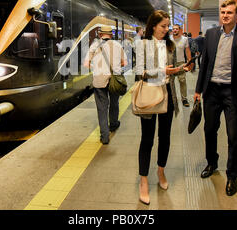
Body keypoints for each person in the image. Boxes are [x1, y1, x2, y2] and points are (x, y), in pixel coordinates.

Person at [193, 0, 237, 196]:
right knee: (209, 129)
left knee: (234, 135)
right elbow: (204, 64)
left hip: (233, 93)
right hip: (211, 90)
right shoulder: (211, 34)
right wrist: (198, 89)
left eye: (229, 12)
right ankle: (212, 162)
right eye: (223, 12)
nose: (225, 15)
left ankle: (232, 175)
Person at [135, 10, 190, 205]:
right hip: (150, 95)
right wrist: (162, 70)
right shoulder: (142, 44)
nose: (167, 30)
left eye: (168, 26)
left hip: (168, 93)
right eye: (163, 26)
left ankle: (160, 171)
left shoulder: (170, 45)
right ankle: (143, 180)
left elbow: (173, 69)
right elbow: (139, 71)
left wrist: (178, 70)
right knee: (147, 139)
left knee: (165, 137)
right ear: (153, 26)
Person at [83, 25, 127, 145]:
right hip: (114, 80)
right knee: (114, 103)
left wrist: (96, 66)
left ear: (100, 34)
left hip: (99, 80)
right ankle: (113, 125)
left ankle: (105, 136)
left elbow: (86, 64)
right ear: (111, 35)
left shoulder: (94, 45)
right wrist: (115, 67)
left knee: (102, 108)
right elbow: (125, 62)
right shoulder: (118, 45)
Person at [170, 24, 193, 107]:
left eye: (176, 29)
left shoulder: (184, 39)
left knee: (182, 81)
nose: (174, 30)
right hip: (171, 63)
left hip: (181, 63)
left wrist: (190, 62)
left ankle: (184, 99)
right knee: (170, 82)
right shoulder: (169, 39)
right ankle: (172, 99)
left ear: (179, 30)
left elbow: (187, 50)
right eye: (173, 29)